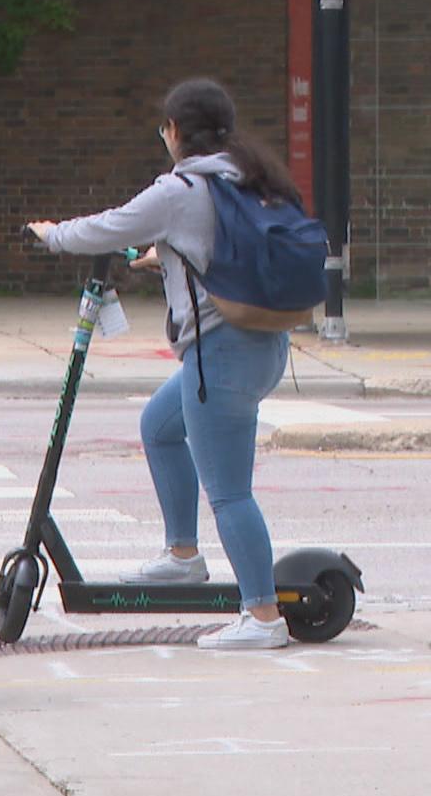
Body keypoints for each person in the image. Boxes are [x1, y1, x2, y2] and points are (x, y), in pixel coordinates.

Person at [26, 77, 297, 650]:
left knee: (229, 493)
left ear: (176, 132)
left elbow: (110, 225)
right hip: (264, 344)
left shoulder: (179, 189)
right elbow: (219, 245)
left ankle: (263, 616)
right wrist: (165, 256)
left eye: (164, 129)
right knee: (159, 426)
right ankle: (182, 555)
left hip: (220, 358)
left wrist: (54, 236)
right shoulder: (249, 175)